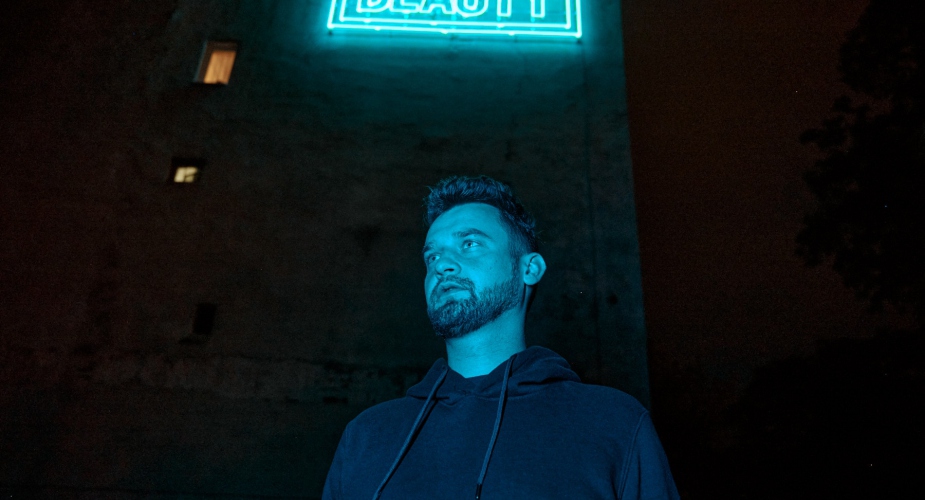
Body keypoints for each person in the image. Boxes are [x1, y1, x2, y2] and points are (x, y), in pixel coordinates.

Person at [322, 176, 679, 499]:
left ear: (529, 268)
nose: (442, 265)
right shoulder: (367, 437)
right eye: (432, 256)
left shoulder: (613, 424)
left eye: (470, 244)